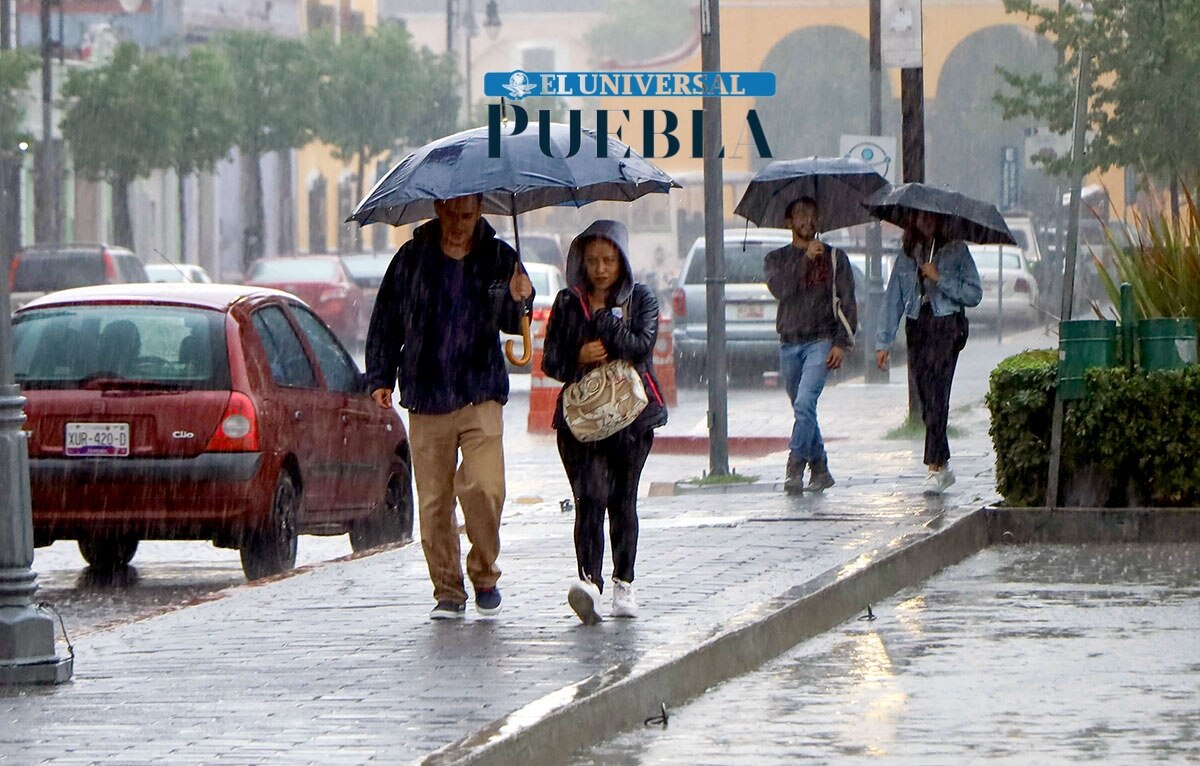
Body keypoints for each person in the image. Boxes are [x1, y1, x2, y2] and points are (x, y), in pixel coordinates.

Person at [366, 194, 534, 620]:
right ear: (438, 210)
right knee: (435, 502)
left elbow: (515, 323)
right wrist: (380, 377)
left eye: (469, 215)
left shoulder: (499, 256)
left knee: (484, 487)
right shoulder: (411, 259)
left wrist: (520, 299)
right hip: (427, 393)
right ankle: (447, 589)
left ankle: (484, 571)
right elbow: (386, 318)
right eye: (453, 214)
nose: (460, 224)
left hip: (480, 391)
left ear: (479, 212)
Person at [541, 220, 668, 625]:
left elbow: (640, 348)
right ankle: (589, 584)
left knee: (623, 500)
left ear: (622, 261)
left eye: (608, 260)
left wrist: (605, 322)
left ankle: (623, 582)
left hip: (631, 420)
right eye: (592, 260)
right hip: (581, 423)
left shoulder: (641, 299)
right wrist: (578, 356)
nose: (599, 269)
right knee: (590, 498)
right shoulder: (566, 302)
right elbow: (550, 362)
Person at [875, 210, 982, 495]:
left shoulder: (956, 251)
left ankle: (934, 466)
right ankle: (943, 462)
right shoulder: (908, 255)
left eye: (931, 218)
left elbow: (974, 294)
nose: (926, 223)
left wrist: (941, 278)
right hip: (917, 326)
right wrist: (883, 342)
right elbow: (893, 299)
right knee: (925, 395)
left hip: (946, 326)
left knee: (939, 395)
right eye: (920, 218)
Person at [763, 197, 858, 495]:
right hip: (789, 342)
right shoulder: (776, 259)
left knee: (805, 404)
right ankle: (821, 468)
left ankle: (795, 466)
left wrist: (841, 343)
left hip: (820, 341)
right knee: (804, 411)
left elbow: (848, 301)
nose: (807, 220)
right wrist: (804, 260)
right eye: (800, 215)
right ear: (788, 222)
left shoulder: (835, 258)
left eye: (812, 214)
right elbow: (781, 289)